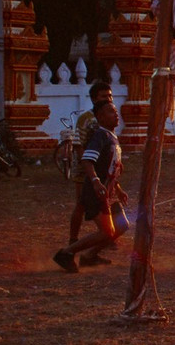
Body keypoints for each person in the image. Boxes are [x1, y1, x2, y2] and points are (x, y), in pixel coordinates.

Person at [52, 100, 130, 272]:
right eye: (111, 112)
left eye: (116, 111)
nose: (116, 114)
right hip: (96, 191)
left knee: (122, 225)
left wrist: (118, 189)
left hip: (108, 191)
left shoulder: (113, 138)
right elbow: (87, 160)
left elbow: (111, 169)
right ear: (100, 117)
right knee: (106, 232)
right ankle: (66, 253)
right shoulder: (100, 136)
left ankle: (89, 256)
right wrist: (95, 181)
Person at [68, 81, 113, 245]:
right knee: (81, 204)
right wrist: (88, 168)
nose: (108, 99)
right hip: (84, 168)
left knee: (104, 201)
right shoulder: (86, 119)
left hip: (102, 168)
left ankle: (105, 236)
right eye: (103, 96)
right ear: (94, 99)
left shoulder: (109, 116)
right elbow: (79, 145)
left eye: (110, 96)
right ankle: (73, 240)